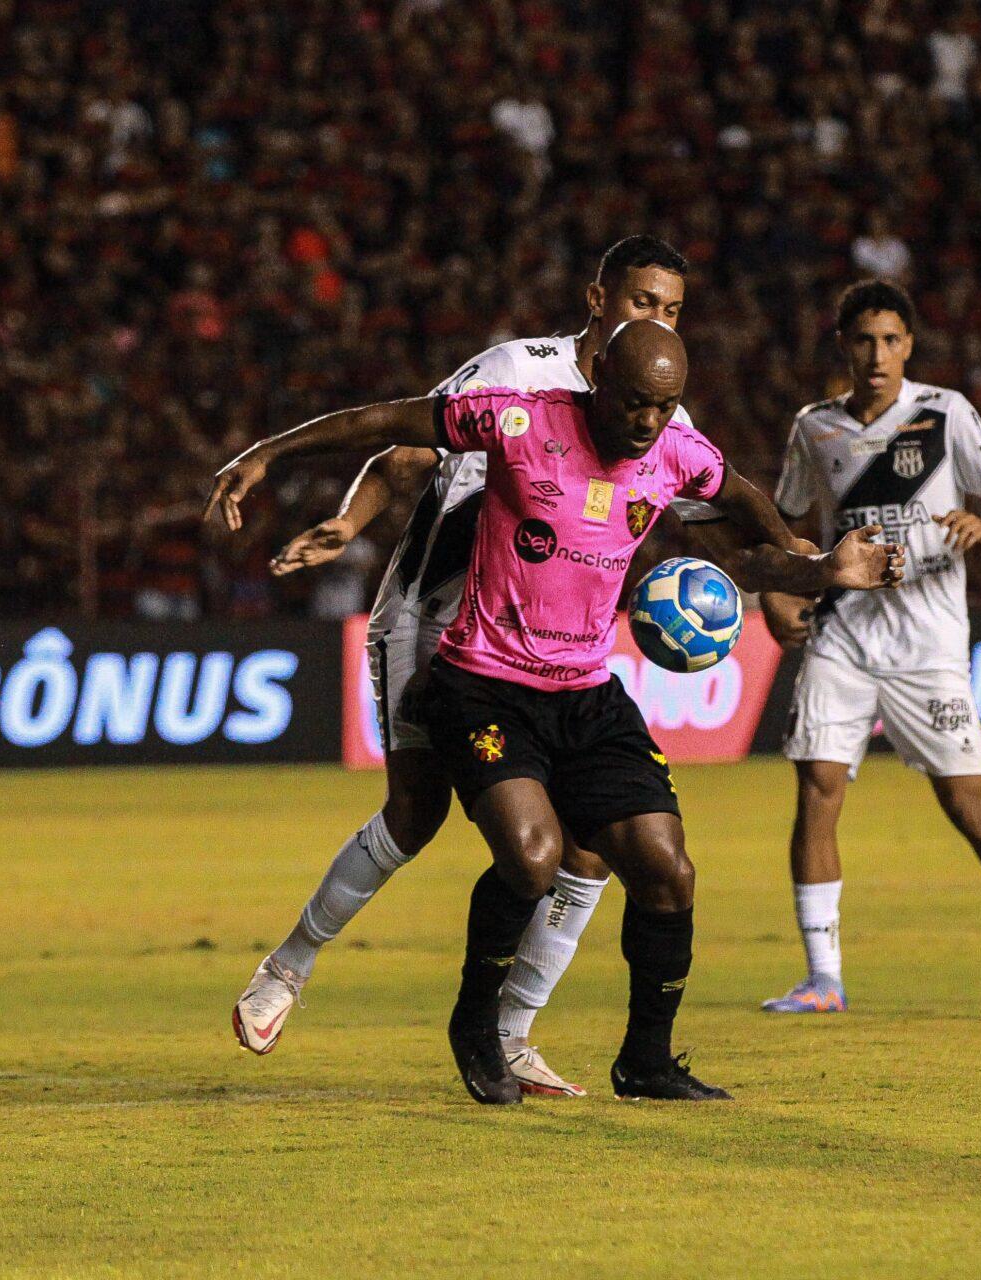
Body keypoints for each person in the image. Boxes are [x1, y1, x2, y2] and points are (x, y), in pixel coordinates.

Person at [207, 320, 904, 1100]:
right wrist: (266, 452)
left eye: (664, 405)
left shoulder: (676, 449)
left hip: (583, 689)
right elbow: (385, 424)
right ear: (598, 373)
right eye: (636, 402)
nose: (648, 421)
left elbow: (740, 505)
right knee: (531, 857)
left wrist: (819, 567)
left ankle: (645, 1060)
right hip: (483, 679)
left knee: (667, 869)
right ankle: (477, 1026)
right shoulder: (518, 418)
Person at [231, 237, 735, 1100]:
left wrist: (794, 570)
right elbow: (408, 445)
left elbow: (713, 511)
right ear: (597, 297)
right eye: (642, 302)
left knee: (592, 845)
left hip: (557, 651)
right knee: (417, 813)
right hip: (435, 617)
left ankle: (511, 1033)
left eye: (672, 311)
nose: (655, 322)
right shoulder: (519, 373)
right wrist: (351, 526)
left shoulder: (660, 411)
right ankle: (289, 966)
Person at [754, 280, 981, 1013]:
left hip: (929, 647)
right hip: (843, 637)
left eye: (890, 340)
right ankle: (824, 977)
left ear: (909, 345)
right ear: (843, 347)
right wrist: (779, 597)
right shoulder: (814, 428)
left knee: (968, 805)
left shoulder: (945, 413)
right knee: (817, 790)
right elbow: (786, 532)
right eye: (863, 340)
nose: (877, 354)